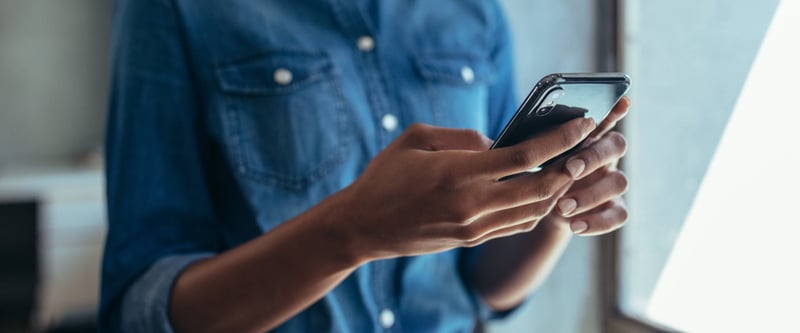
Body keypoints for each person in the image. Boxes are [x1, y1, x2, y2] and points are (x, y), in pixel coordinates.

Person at [99, 0, 631, 332]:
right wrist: (352, 230)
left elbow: (481, 286)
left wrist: (552, 206)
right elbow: (142, 312)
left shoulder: (474, 12)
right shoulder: (176, 10)